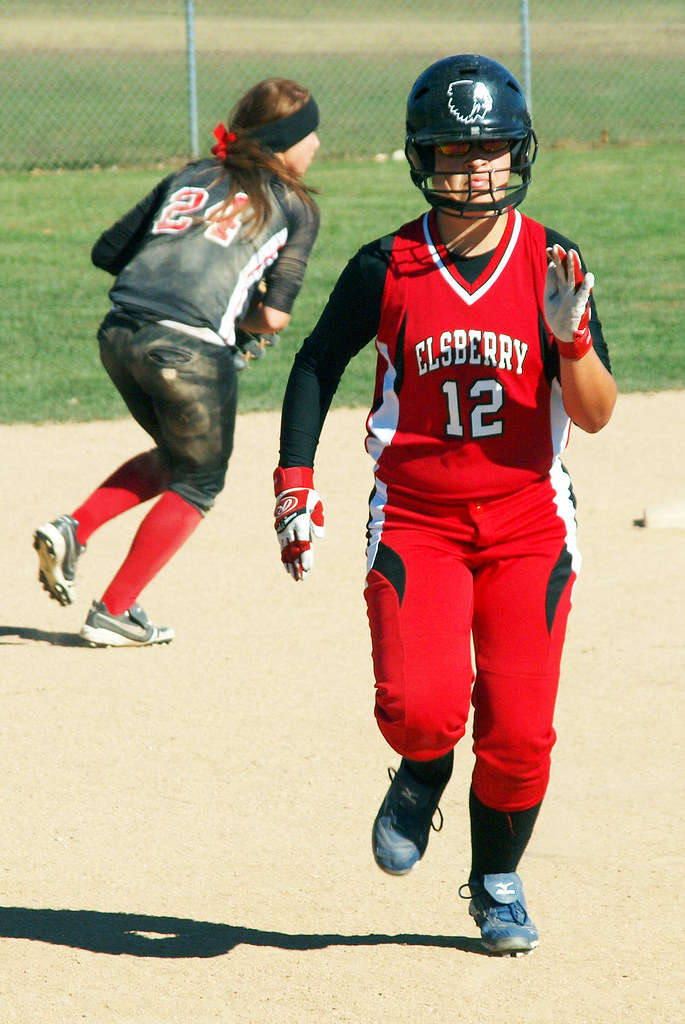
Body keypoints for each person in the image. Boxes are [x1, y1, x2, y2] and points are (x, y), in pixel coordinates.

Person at [273, 54, 616, 955]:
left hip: (527, 522)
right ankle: (421, 770)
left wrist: (569, 337)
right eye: (455, 152)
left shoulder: (553, 259)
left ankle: (496, 880)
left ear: (518, 152)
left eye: (492, 150)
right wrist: (294, 481)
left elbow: (595, 414)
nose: (476, 170)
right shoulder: (386, 264)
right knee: (422, 709)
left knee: (520, 732)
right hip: (417, 518)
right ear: (423, 157)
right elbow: (314, 363)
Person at [34, 77, 321, 647]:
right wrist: (233, 318)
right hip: (186, 351)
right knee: (200, 481)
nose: (316, 147)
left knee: (177, 456)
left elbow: (107, 251)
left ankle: (73, 528)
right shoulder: (294, 205)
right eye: (309, 134)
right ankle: (115, 610)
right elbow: (275, 318)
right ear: (285, 140)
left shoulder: (191, 175)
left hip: (118, 335)